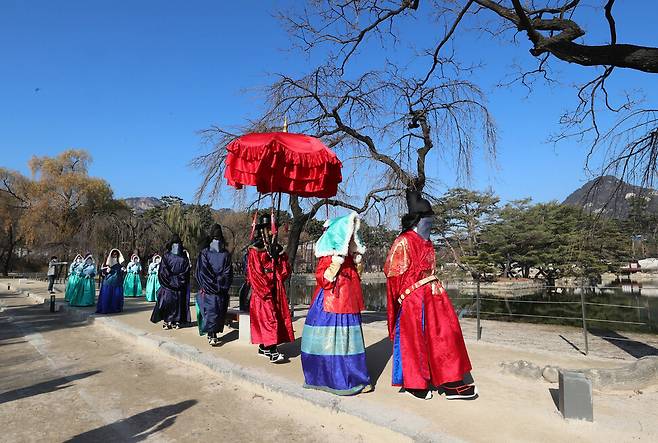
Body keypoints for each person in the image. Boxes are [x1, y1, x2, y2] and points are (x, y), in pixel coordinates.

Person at [384, 190, 477, 400]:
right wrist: (401, 301)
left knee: (446, 335)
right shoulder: (403, 242)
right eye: (428, 219)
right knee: (414, 342)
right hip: (414, 299)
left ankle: (451, 381)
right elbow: (393, 276)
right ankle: (415, 384)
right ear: (419, 219)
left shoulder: (427, 242)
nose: (431, 223)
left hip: (434, 296)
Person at [301, 212, 372, 395]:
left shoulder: (350, 258)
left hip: (348, 304)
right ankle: (335, 379)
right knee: (333, 342)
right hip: (331, 304)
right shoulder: (329, 257)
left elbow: (357, 279)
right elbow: (323, 280)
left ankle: (353, 376)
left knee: (350, 343)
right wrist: (335, 264)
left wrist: (356, 263)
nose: (349, 242)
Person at [247, 213, 294, 363]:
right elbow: (254, 272)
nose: (271, 232)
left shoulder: (276, 248)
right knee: (269, 318)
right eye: (268, 228)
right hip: (263, 290)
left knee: (277, 317)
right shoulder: (255, 250)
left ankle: (263, 347)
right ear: (262, 230)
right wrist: (265, 289)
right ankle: (272, 350)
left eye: (272, 229)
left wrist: (279, 260)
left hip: (276, 287)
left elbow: (285, 270)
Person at [195, 224, 233, 346]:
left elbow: (227, 271)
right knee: (212, 311)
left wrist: (214, 283)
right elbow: (204, 270)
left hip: (215, 289)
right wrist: (220, 282)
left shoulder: (223, 254)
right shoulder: (205, 253)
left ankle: (213, 333)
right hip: (213, 289)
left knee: (218, 312)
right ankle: (212, 334)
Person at [150, 235, 191, 330]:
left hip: (177, 285)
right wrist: (173, 281)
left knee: (178, 303)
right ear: (171, 245)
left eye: (178, 244)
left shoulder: (183, 258)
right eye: (174, 244)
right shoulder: (166, 256)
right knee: (168, 303)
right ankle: (167, 320)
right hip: (170, 286)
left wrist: (176, 281)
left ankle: (176, 321)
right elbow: (163, 271)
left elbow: (186, 272)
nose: (176, 246)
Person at [96, 249, 126, 314]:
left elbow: (121, 275)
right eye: (113, 254)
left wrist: (123, 271)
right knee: (107, 298)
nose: (115, 256)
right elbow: (101, 273)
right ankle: (105, 309)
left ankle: (115, 309)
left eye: (116, 255)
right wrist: (106, 271)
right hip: (108, 283)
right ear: (111, 255)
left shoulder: (120, 265)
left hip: (117, 284)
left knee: (116, 297)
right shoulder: (106, 264)